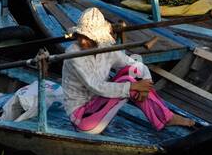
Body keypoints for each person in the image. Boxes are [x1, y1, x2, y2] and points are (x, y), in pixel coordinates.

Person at [63, 8, 195, 134]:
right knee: (129, 81)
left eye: (87, 37)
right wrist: (133, 86)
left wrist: (145, 84)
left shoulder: (105, 47)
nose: (82, 41)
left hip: (99, 105)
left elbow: (134, 65)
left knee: (133, 71)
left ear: (98, 38)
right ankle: (166, 117)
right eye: (80, 36)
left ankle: (164, 117)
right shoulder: (73, 54)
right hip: (82, 119)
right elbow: (95, 86)